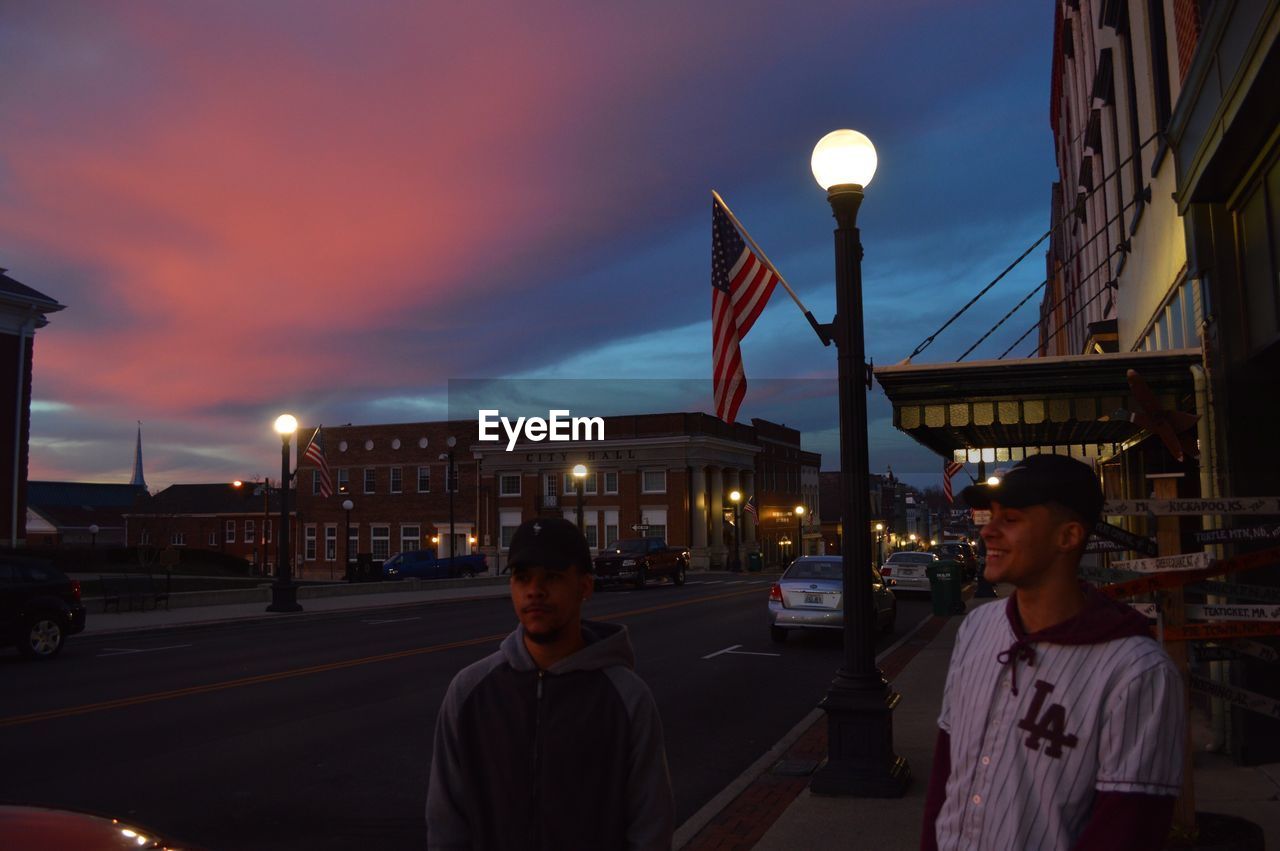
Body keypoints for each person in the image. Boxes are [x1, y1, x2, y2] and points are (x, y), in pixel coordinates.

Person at [921, 454, 1185, 851]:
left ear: (1068, 536)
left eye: (1010, 520)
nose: (988, 532)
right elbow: (946, 774)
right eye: (991, 516)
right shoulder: (976, 629)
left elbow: (1127, 830)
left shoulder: (1136, 673)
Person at [426, 517, 675, 850]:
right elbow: (447, 822)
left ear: (584, 586)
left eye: (552, 578)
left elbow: (650, 825)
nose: (534, 591)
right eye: (522, 578)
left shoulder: (627, 698)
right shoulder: (469, 692)